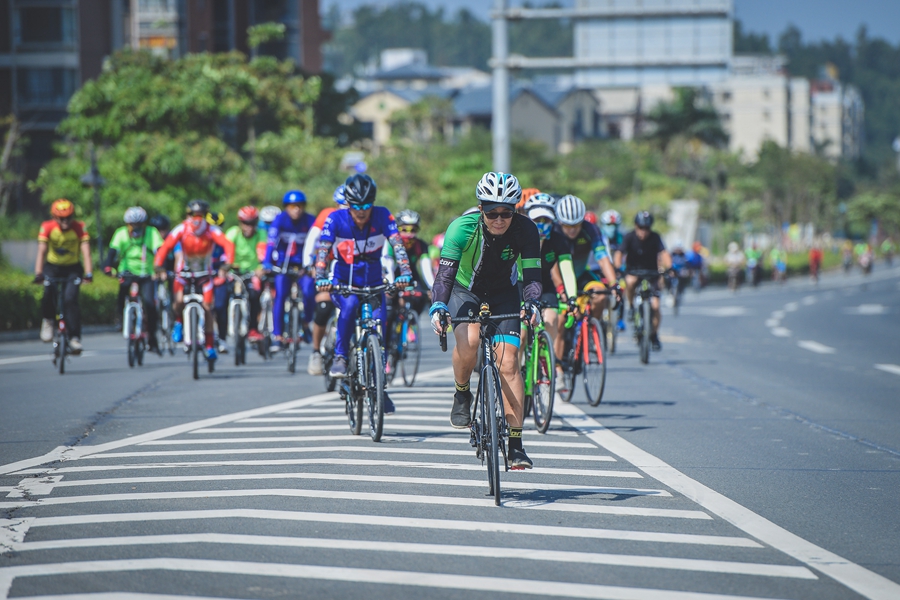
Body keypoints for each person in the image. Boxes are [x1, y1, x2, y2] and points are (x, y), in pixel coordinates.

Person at [429, 171, 542, 470]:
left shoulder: (526, 230)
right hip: (464, 289)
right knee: (470, 342)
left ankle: (516, 445)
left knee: (509, 363)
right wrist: (439, 305)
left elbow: (532, 276)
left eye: (507, 213)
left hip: (504, 291)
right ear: (481, 208)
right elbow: (444, 276)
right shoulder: (461, 229)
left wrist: (532, 303)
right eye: (492, 212)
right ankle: (462, 393)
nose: (500, 220)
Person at [314, 174, 413, 415]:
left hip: (374, 283)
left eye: (366, 205)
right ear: (348, 204)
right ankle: (340, 357)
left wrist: (406, 272)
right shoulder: (335, 219)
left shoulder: (382, 215)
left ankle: (380, 384)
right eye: (355, 206)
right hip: (343, 284)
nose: (361, 211)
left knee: (381, 324)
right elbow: (323, 250)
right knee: (347, 309)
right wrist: (321, 277)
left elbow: (398, 245)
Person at [154, 199, 234, 363]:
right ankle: (178, 322)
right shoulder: (181, 229)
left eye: (201, 215)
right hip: (184, 274)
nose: (196, 219)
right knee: (177, 301)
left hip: (205, 274)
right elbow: (165, 247)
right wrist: (158, 266)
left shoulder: (212, 231)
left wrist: (227, 265)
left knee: (207, 308)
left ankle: (210, 345)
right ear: (187, 215)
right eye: (192, 215)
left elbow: (228, 245)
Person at [33, 199, 93, 353]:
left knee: (70, 300)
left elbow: (86, 250)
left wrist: (89, 273)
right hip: (52, 267)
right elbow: (42, 251)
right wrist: (38, 273)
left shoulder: (79, 227)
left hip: (73, 268)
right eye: (61, 218)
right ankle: (48, 321)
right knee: (48, 292)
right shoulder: (47, 227)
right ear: (54, 217)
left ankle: (74, 338)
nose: (65, 222)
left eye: (68, 218)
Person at [526, 199, 576, 376]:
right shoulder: (518, 235)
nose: (542, 225)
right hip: (520, 285)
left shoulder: (558, 240)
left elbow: (566, 270)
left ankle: (546, 360)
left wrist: (571, 297)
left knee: (552, 319)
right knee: (522, 331)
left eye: (546, 221)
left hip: (544, 286)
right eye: (537, 220)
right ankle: (516, 369)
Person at [104, 207, 164, 352]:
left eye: (139, 225)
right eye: (132, 225)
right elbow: (112, 252)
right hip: (127, 272)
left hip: (147, 273)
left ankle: (152, 337)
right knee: (122, 293)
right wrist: (108, 267)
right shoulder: (121, 234)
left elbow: (160, 251)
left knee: (150, 303)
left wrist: (160, 268)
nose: (136, 228)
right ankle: (120, 318)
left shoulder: (151, 233)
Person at [262, 190, 317, 352]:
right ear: (286, 207)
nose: (296, 209)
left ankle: (306, 324)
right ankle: (277, 336)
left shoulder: (310, 220)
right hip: (283, 265)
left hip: (303, 267)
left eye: (300, 206)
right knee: (280, 295)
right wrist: (267, 262)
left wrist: (315, 264)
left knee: (309, 291)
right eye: (293, 206)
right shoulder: (280, 220)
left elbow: (317, 243)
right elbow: (271, 242)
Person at [555, 195, 619, 331]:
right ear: (560, 222)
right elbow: (552, 266)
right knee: (559, 320)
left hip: (581, 275)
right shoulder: (554, 232)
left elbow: (602, 258)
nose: (572, 229)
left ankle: (590, 331)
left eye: (576, 225)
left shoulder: (590, 229)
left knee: (600, 295)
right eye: (567, 225)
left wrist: (614, 284)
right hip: (557, 280)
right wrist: (562, 291)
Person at [303, 185, 348, 375]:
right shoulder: (329, 215)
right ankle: (316, 352)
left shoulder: (365, 218)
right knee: (323, 306)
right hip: (328, 263)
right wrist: (308, 264)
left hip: (354, 265)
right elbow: (312, 239)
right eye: (343, 205)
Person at [614, 211, 671, 351]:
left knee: (656, 306)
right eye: (640, 227)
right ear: (635, 226)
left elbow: (664, 254)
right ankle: (632, 306)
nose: (643, 232)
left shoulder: (655, 237)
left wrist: (669, 268)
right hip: (634, 272)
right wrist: (617, 268)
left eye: (646, 228)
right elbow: (619, 253)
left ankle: (654, 334)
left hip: (652, 274)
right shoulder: (629, 237)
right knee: (630, 281)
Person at [225, 206, 268, 343]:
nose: (249, 227)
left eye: (252, 223)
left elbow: (263, 253)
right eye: (245, 223)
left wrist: (261, 268)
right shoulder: (233, 233)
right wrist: (225, 267)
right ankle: (221, 329)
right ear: (240, 222)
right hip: (233, 271)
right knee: (221, 297)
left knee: (254, 296)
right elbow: (225, 251)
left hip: (253, 272)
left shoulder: (261, 234)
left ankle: (253, 328)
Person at [599, 209, 625, 329]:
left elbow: (625, 256)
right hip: (600, 271)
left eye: (614, 225)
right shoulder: (598, 236)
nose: (612, 228)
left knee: (622, 288)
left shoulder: (621, 238)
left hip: (617, 271)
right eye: (609, 225)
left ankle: (620, 317)